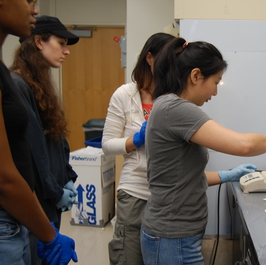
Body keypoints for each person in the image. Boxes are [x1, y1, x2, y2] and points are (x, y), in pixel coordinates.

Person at [140, 37, 266, 264]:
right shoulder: (176, 109)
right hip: (172, 238)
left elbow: (180, 177)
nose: (215, 92)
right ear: (195, 76)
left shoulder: (168, 105)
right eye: (216, 82)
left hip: (177, 235)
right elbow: (243, 145)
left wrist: (227, 175)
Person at [103, 32, 256, 265]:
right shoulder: (129, 95)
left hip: (170, 201)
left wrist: (226, 175)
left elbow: (184, 170)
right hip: (137, 191)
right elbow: (107, 145)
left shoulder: (177, 100)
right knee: (129, 258)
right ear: (150, 58)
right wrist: (136, 140)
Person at [0, 1, 77, 265]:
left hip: (47, 199)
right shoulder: (19, 85)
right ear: (39, 42)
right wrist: (54, 192)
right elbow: (32, 153)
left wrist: (67, 177)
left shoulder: (40, 84)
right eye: (62, 43)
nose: (66, 51)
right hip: (34, 204)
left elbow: (56, 141)